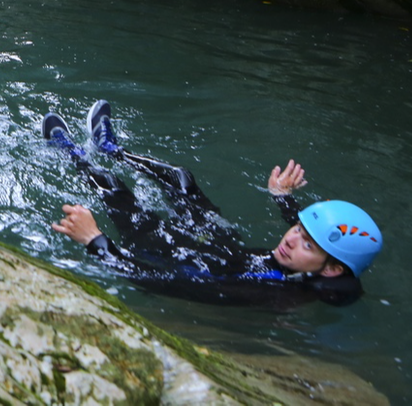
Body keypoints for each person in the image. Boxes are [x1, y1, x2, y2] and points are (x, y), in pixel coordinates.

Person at [45, 100, 382, 308]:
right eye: (298, 229)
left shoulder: (269, 293)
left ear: (332, 270)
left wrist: (95, 240)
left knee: (114, 187)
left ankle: (71, 153)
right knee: (180, 178)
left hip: (168, 254)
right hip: (223, 247)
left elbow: (153, 280)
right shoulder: (309, 262)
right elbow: (308, 235)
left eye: (307, 243)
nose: (292, 238)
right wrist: (283, 199)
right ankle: (111, 150)